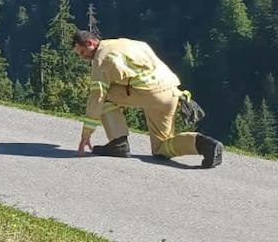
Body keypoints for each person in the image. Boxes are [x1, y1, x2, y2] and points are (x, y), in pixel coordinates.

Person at [73, 26, 223, 167]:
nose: (82, 57)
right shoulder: (124, 43)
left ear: (89, 43)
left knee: (104, 95)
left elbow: (96, 97)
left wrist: (86, 134)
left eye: (82, 52)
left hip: (150, 94)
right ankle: (205, 145)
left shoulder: (101, 59)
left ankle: (118, 143)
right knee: (161, 148)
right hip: (171, 92)